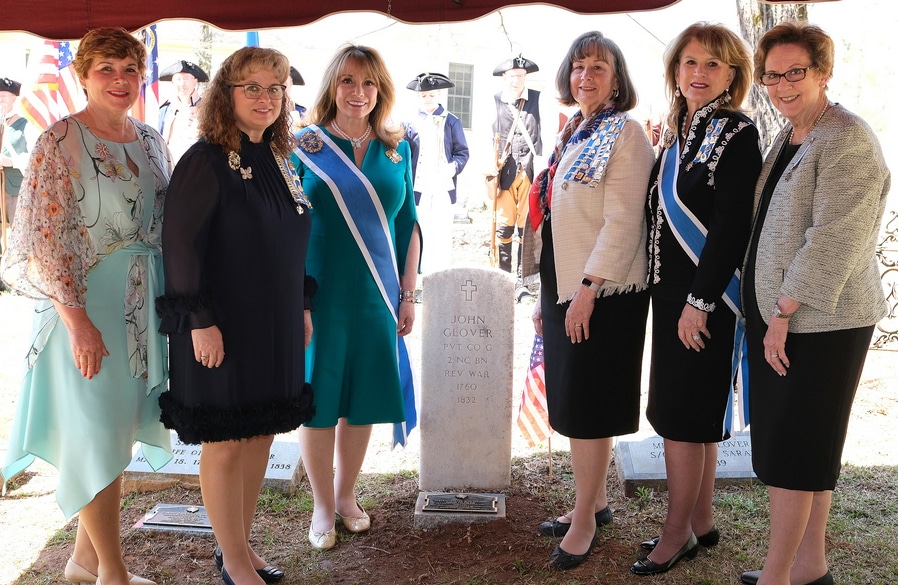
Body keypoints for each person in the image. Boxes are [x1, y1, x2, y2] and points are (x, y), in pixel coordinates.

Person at [0, 27, 172, 585]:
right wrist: (77, 322)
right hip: (86, 308)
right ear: (84, 75)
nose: (120, 81)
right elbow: (44, 241)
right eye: (107, 69)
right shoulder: (59, 142)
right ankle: (113, 575)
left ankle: (83, 562)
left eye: (129, 70)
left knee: (115, 433)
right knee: (96, 431)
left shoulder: (151, 139)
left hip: (141, 308)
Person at [156, 47, 315, 585]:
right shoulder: (204, 159)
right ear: (225, 94)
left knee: (260, 434)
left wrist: (302, 304)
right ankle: (234, 561)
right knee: (225, 443)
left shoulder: (276, 156)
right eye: (252, 87)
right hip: (219, 324)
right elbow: (178, 244)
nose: (266, 98)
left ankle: (238, 549)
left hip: (273, 321)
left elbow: (288, 241)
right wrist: (198, 319)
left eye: (275, 88)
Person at [739, 22, 890, 585]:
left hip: (819, 321)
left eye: (794, 72)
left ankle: (777, 577)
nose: (781, 85)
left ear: (823, 72)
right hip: (788, 316)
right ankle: (809, 569)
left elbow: (834, 237)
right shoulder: (792, 134)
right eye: (773, 75)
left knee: (794, 456)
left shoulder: (846, 136)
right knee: (804, 449)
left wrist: (781, 314)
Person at [632, 23, 762, 577]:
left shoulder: (736, 133)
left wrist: (700, 301)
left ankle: (675, 532)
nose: (699, 74)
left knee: (683, 418)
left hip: (703, 302)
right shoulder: (680, 132)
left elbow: (733, 227)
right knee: (694, 413)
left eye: (713, 64)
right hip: (674, 299)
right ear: (675, 70)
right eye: (690, 62)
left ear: (733, 74)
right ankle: (702, 518)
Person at [529, 30, 654, 571]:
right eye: (579, 67)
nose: (586, 76)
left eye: (599, 68)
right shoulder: (576, 132)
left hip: (603, 289)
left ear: (618, 79)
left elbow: (624, 220)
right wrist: (547, 294)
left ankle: (584, 521)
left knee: (587, 406)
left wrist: (586, 290)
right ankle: (594, 501)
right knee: (576, 398)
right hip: (566, 285)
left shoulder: (625, 134)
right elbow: (559, 219)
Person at [291, 44, 420, 551]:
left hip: (378, 293)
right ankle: (322, 504)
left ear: (380, 89)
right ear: (332, 86)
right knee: (318, 399)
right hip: (319, 291)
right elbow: (289, 226)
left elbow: (408, 225)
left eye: (368, 82)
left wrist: (407, 294)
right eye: (347, 80)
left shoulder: (398, 146)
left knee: (363, 398)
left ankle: (347, 497)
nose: (358, 92)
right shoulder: (304, 143)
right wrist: (295, 299)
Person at [404, 72, 470, 273]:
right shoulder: (409, 123)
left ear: (439, 95)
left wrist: (451, 168)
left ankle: (440, 275)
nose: (427, 99)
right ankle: (419, 275)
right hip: (419, 187)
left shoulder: (451, 121)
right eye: (423, 96)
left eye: (431, 95)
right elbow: (404, 153)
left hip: (442, 187)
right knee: (418, 231)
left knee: (441, 232)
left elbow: (462, 152)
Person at [490, 54, 542, 287]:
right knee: (504, 225)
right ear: (504, 77)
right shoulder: (495, 102)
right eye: (512, 76)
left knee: (525, 226)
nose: (516, 80)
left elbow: (546, 136)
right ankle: (504, 278)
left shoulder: (539, 100)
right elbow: (487, 136)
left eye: (520, 76)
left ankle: (522, 282)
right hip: (504, 173)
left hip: (530, 170)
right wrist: (489, 169)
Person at [1, 77, 39, 228]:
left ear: (13, 98)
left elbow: (35, 156)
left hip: (14, 189)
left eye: (2, 96)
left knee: (18, 234)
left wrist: (12, 161)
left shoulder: (26, 124)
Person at [158, 60, 208, 163]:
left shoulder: (207, 109)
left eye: (186, 79)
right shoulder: (165, 109)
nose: (182, 84)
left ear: (195, 81)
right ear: (172, 82)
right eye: (178, 79)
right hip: (170, 164)